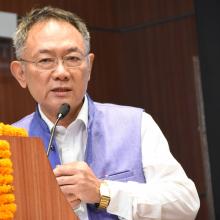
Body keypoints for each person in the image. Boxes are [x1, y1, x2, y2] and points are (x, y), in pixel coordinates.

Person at [10, 6, 200, 220]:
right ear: (21, 74)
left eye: (72, 58)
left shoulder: (135, 125)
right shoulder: (9, 143)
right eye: (45, 60)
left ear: (89, 66)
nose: (61, 72)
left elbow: (185, 203)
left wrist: (103, 192)